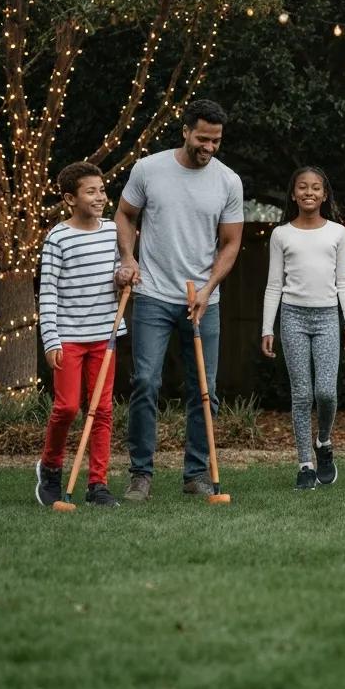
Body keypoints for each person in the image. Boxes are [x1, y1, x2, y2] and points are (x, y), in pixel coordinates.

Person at [114, 98, 243, 502]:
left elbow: (231, 242)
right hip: (152, 294)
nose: (209, 147)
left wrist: (208, 288)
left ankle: (196, 474)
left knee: (204, 389)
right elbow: (124, 214)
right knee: (145, 382)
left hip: (203, 300)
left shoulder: (228, 181)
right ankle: (140, 475)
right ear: (185, 130)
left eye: (216, 140)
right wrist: (129, 257)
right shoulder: (149, 169)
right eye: (202, 138)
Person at [261, 166, 345, 491]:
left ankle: (324, 442)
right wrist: (267, 328)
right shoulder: (281, 234)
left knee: (326, 393)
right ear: (293, 193)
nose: (309, 193)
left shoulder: (337, 233)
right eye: (302, 187)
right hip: (293, 317)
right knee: (302, 395)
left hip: (328, 316)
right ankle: (304, 463)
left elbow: (344, 280)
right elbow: (274, 284)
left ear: (324, 195)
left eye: (316, 188)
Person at [35, 163, 124, 508]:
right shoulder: (58, 238)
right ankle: (51, 468)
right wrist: (51, 340)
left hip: (105, 336)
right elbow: (48, 293)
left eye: (102, 190)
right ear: (70, 198)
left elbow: (116, 272)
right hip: (69, 338)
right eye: (91, 191)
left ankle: (97, 484)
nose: (100, 197)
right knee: (68, 407)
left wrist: (124, 275)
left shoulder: (111, 230)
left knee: (101, 410)